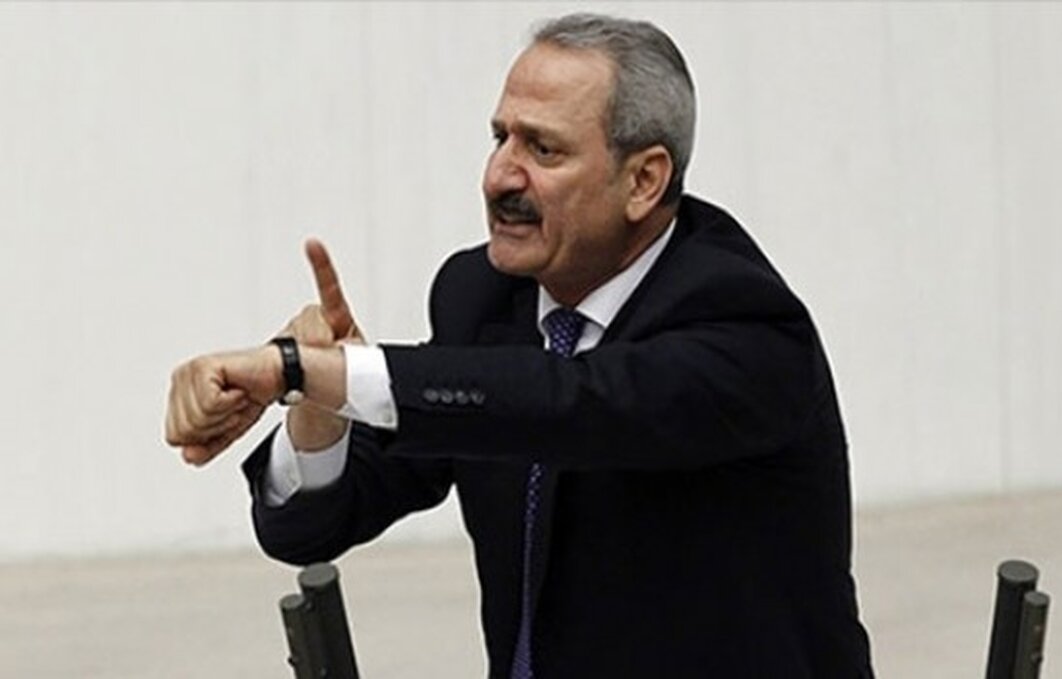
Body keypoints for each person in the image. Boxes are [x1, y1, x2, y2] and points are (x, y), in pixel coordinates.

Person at [165, 13, 874, 678]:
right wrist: (318, 405)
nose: (499, 176)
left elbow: (573, 405)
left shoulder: (744, 320)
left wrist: (316, 370)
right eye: (499, 137)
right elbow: (310, 530)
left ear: (643, 180)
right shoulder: (482, 296)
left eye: (542, 149)